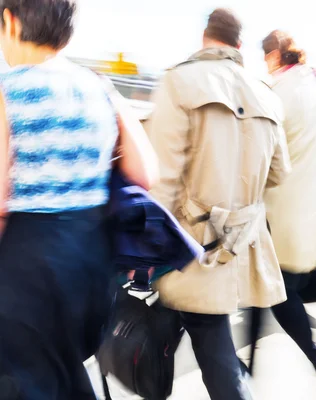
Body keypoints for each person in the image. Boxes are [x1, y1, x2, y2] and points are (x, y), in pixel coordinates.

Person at [0, 0, 158, 398]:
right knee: (63, 373)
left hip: (28, 267)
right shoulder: (100, 87)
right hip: (91, 262)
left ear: (9, 22)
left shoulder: (6, 91)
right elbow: (146, 173)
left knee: (28, 379)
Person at [146, 9, 291, 400]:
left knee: (212, 349)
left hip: (188, 245)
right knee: (172, 333)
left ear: (205, 36)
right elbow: (278, 174)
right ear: (239, 45)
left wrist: (146, 247)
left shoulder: (179, 82)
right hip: (237, 245)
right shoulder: (266, 94)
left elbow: (163, 179)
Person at [253, 30, 316, 385]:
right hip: (311, 211)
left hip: (276, 211)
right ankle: (247, 372)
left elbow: (261, 152)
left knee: (273, 292)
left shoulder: (276, 93)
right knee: (264, 290)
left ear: (273, 57)